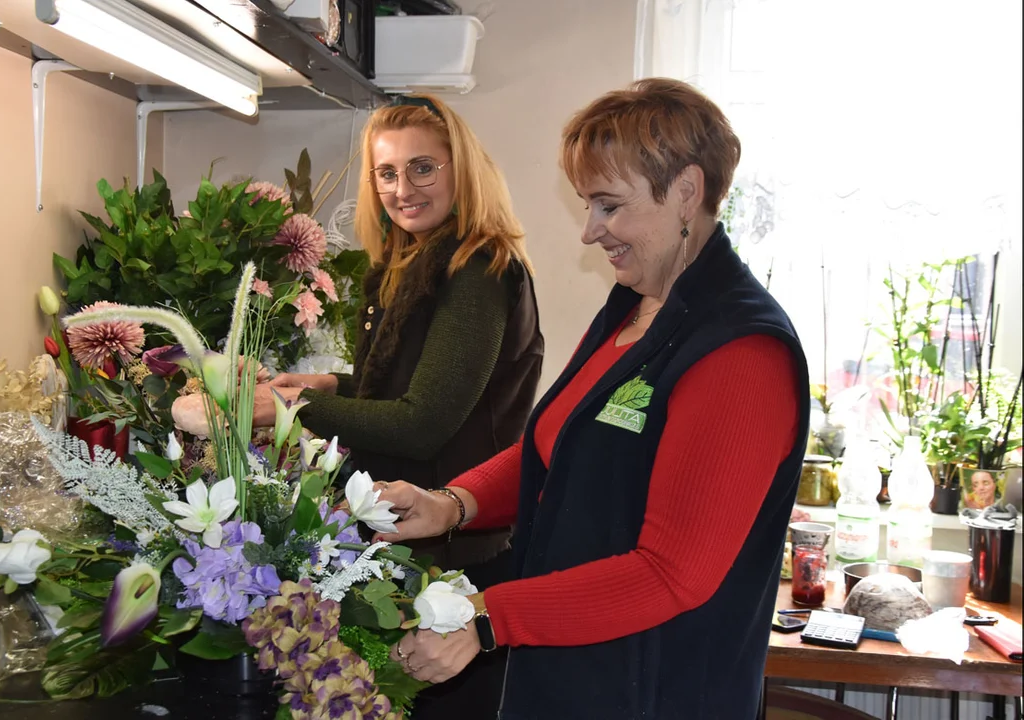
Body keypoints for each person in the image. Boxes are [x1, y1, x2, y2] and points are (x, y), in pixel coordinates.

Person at [372, 78, 810, 719]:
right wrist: (452, 504)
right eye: (588, 206)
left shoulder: (740, 352)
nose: (589, 232)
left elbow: (670, 574)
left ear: (686, 192)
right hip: (573, 676)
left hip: (655, 694)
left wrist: (489, 617)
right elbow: (559, 444)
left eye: (609, 206)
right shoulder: (634, 308)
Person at [253, 94, 544, 719]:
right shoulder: (412, 260)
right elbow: (404, 382)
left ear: (460, 170)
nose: (401, 187)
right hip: (413, 537)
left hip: (458, 556)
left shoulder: (476, 267)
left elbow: (420, 422)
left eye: (422, 167)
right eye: (386, 172)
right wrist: (328, 387)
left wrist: (287, 411)